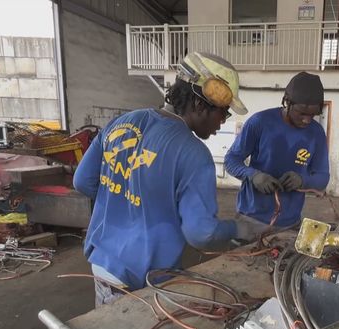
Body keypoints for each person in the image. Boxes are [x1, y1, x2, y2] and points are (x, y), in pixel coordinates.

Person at [74, 52, 256, 306]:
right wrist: (241, 228)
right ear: (200, 104)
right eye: (223, 114)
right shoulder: (193, 153)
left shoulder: (122, 122)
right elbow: (201, 233)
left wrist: (127, 201)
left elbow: (82, 181)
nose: (221, 123)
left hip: (102, 266)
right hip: (140, 284)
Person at [224, 72, 329, 239]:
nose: (307, 120)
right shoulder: (260, 123)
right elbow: (231, 160)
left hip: (291, 224)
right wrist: (253, 175)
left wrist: (303, 180)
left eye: (313, 115)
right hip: (251, 221)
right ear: (287, 102)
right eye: (302, 113)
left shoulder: (316, 134)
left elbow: (323, 177)